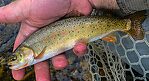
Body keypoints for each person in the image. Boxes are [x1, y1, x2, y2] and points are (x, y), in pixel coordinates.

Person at [0, 0, 148, 81]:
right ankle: (125, 24)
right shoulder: (31, 48)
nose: (13, 62)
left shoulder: (36, 51)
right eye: (14, 59)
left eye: (16, 58)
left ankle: (127, 24)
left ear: (26, 51)